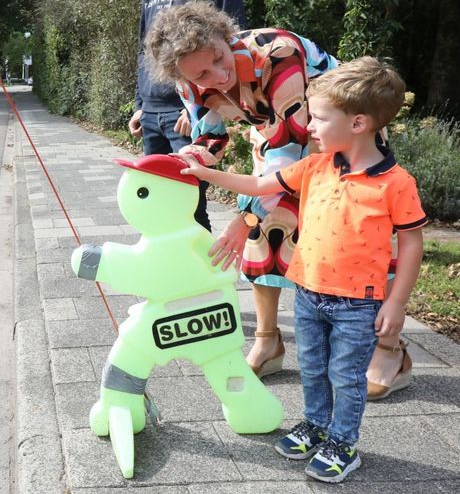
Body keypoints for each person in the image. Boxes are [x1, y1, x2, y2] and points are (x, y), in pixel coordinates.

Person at [144, 0, 414, 399]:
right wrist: (185, 163)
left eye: (219, 58)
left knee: (360, 239)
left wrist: (242, 217)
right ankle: (268, 340)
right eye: (202, 73)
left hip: (343, 137)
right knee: (267, 233)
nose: (217, 76)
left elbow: (290, 145)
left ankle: (390, 349)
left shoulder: (279, 53)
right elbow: (211, 136)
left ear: (226, 35)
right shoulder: (189, 81)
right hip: (275, 139)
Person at [177, 57, 425, 483]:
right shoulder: (315, 167)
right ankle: (315, 425)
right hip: (308, 294)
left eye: (320, 117)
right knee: (312, 367)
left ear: (359, 123)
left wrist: (397, 302)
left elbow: (412, 242)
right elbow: (259, 186)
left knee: (345, 377)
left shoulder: (395, 182)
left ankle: (343, 444)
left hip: (358, 304)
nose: (308, 124)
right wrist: (205, 173)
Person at [129, 0, 246, 232]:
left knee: (191, 209)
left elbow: (234, 44)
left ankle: (202, 284)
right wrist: (139, 103)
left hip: (189, 116)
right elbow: (144, 49)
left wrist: (202, 104)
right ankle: (171, 284)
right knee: (158, 208)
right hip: (152, 113)